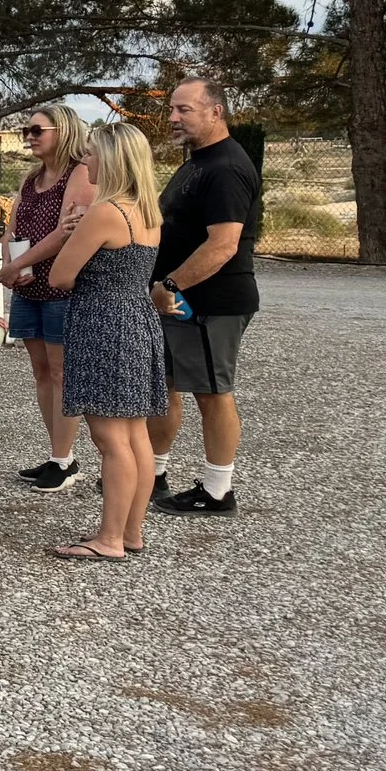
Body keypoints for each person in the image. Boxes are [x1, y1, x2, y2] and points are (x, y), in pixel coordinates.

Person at [45, 121, 166, 561]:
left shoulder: (106, 211)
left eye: (92, 152)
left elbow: (61, 276)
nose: (85, 160)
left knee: (110, 437)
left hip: (103, 325)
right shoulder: (148, 211)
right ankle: (131, 532)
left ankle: (109, 539)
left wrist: (74, 232)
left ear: (112, 159)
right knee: (135, 435)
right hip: (137, 320)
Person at [147, 76, 261, 516]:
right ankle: (153, 474)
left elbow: (223, 245)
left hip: (211, 302)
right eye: (172, 110)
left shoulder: (226, 167)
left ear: (216, 111)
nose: (173, 118)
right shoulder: (197, 162)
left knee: (212, 393)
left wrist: (171, 284)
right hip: (180, 300)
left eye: (184, 110)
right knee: (169, 385)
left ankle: (218, 492)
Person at [0, 106, 98, 489]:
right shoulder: (31, 178)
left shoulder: (81, 174)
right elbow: (12, 226)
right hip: (29, 286)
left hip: (60, 287)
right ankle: (61, 455)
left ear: (64, 130)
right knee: (41, 371)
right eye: (28, 129)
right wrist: (10, 265)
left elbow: (66, 232)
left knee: (61, 373)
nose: (30, 135)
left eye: (38, 129)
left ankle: (63, 458)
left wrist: (18, 263)